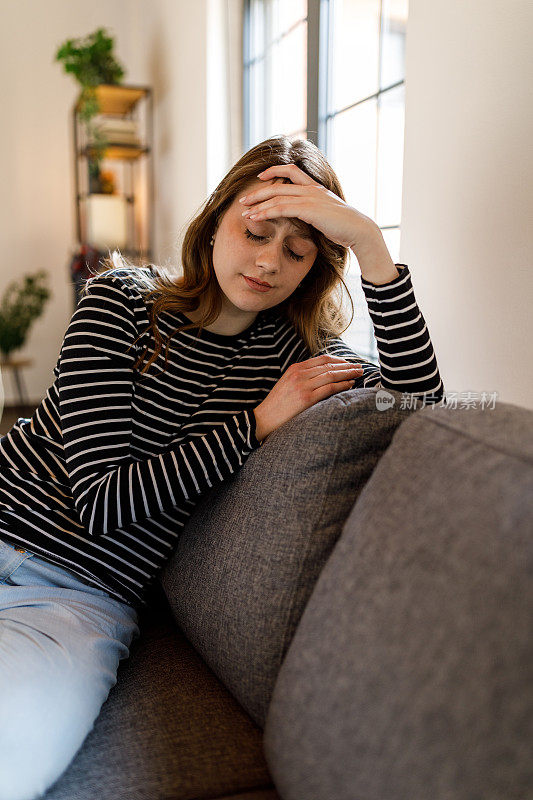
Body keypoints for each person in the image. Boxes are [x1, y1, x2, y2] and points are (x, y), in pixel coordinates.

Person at [0, 134, 444, 800]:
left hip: (72, 601)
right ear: (214, 223)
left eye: (296, 251)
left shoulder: (297, 357)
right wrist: (256, 424)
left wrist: (371, 247)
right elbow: (100, 498)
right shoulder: (120, 302)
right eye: (255, 231)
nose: (268, 262)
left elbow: (421, 404)